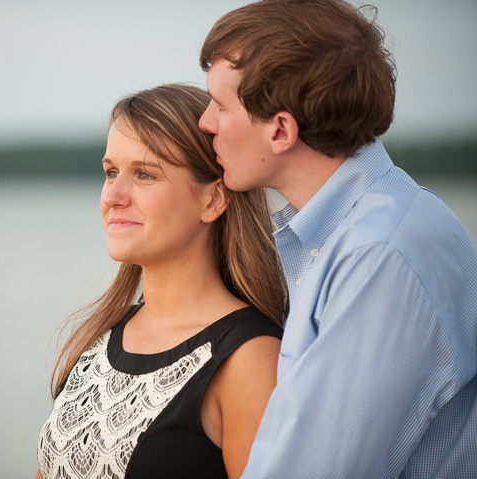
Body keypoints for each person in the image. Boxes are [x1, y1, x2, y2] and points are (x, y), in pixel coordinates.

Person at [198, 1, 477, 477]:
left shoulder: (381, 255)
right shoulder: (345, 232)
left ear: (281, 130)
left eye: (221, 107)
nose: (206, 122)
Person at [35, 84, 287, 479]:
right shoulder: (99, 337)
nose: (113, 196)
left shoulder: (249, 358)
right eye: (111, 172)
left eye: (145, 174)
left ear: (212, 200)